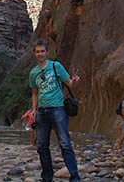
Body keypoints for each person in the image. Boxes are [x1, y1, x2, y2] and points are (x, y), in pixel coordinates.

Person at [29, 39, 81, 182]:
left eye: (42, 51)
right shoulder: (33, 73)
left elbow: (69, 82)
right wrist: (34, 110)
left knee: (65, 144)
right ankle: (47, 177)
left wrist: (75, 81)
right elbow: (35, 93)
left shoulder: (56, 66)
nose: (40, 54)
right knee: (42, 146)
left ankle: (74, 176)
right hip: (42, 112)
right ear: (34, 53)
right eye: (37, 51)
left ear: (47, 52)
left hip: (58, 110)